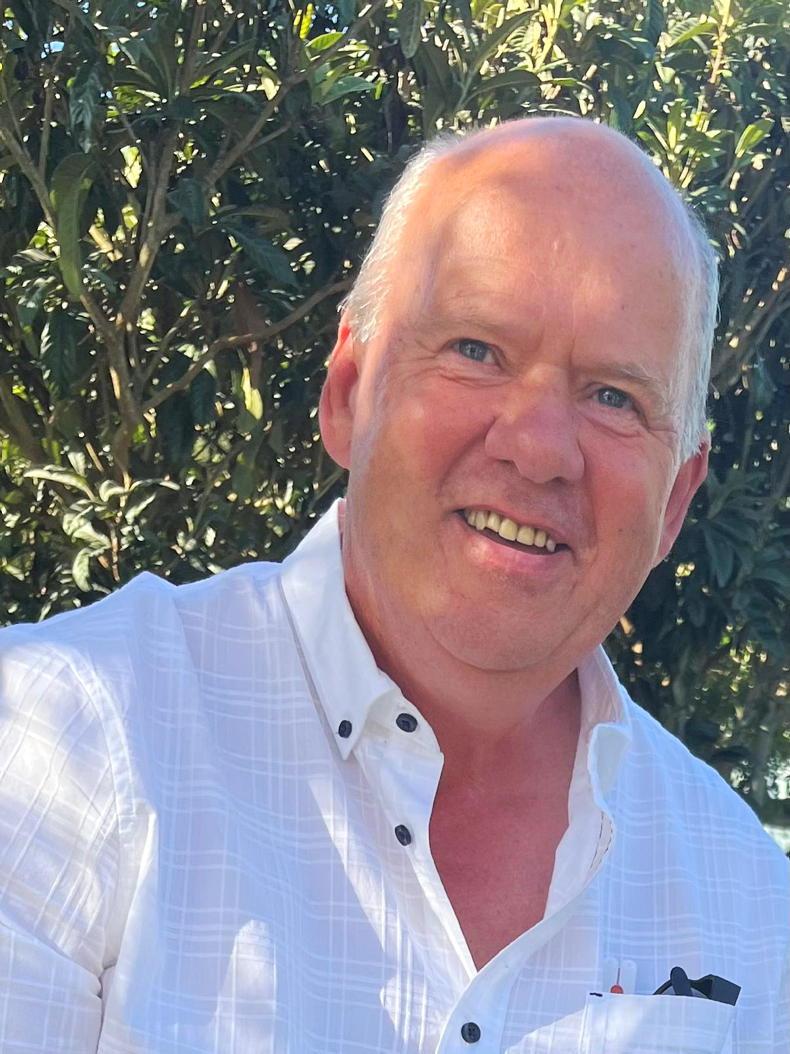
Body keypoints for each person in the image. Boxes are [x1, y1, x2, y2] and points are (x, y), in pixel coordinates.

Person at [0, 116, 787, 1054]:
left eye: (614, 396)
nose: (539, 447)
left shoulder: (748, 902)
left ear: (674, 504)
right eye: (476, 350)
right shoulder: (62, 749)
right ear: (348, 392)